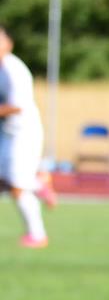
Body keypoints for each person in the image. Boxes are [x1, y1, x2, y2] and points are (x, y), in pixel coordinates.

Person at [0, 26, 49, 249]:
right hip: (7, 133)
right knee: (4, 182)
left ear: (9, 43)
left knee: (18, 186)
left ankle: (37, 236)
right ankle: (39, 184)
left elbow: (16, 107)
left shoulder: (14, 70)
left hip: (23, 133)